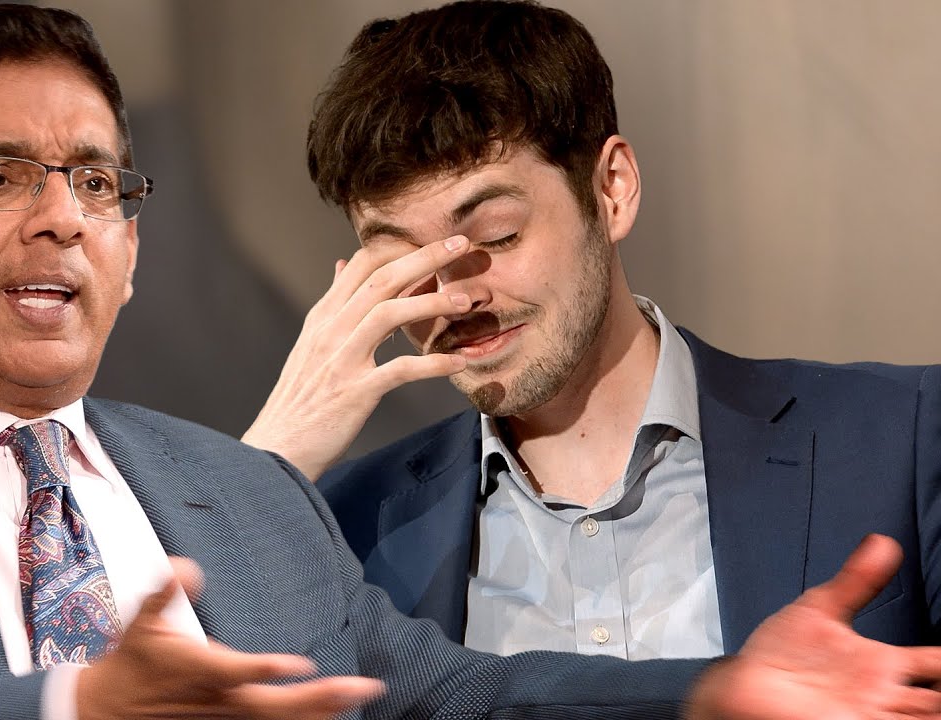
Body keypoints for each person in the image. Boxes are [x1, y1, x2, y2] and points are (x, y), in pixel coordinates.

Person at [0, 4, 940, 720]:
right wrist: (77, 710)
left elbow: (447, 694)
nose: (61, 217)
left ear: (131, 247)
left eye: (97, 183)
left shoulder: (236, 493)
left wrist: (710, 694)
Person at [243, 0, 941, 660]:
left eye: (496, 234)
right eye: (405, 264)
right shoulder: (336, 528)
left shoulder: (900, 441)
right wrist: (266, 465)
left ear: (612, 190)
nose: (454, 298)